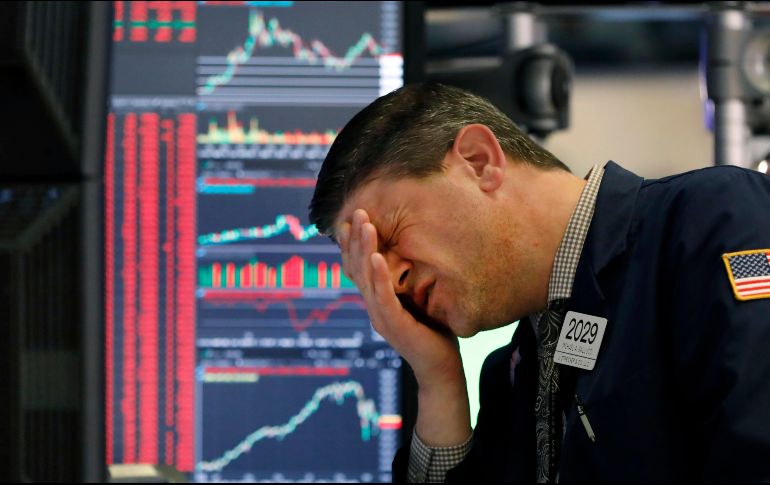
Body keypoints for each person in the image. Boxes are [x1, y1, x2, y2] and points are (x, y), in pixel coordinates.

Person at [308, 82, 770, 482]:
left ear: (479, 160)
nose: (390, 281)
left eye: (388, 236)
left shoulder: (714, 223)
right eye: (366, 268)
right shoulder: (513, 375)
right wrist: (438, 382)